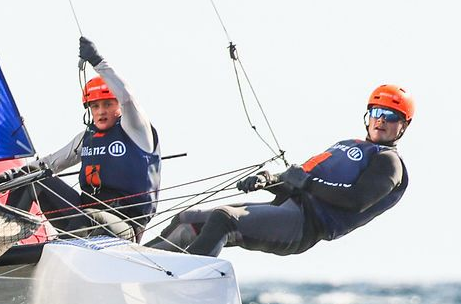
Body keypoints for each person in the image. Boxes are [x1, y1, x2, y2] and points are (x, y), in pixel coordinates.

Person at [149, 84, 413, 257]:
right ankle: (134, 262)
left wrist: (305, 183)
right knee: (188, 219)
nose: (381, 120)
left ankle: (189, 288)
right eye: (377, 112)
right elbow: (297, 181)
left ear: (403, 125)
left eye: (390, 116)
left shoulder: (389, 162)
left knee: (224, 219)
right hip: (287, 207)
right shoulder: (347, 145)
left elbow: (356, 200)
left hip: (304, 225)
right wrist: (268, 180)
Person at [0, 37, 160, 240]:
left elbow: (127, 98)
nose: (101, 111)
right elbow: (49, 164)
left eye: (108, 104)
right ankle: (3, 243)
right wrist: (12, 176)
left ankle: (63, 252)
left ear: (118, 107)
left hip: (124, 230)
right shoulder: (86, 139)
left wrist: (97, 61)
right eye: (95, 106)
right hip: (80, 218)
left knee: (90, 217)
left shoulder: (136, 130)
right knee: (31, 180)